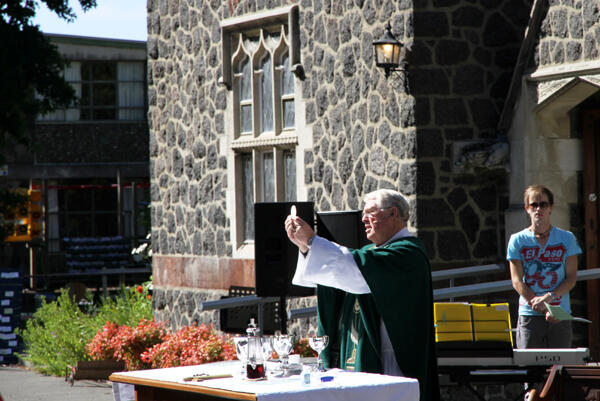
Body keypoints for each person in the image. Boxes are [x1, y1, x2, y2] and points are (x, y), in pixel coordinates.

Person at [284, 189, 439, 401]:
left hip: (394, 360)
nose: (363, 219)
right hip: (375, 357)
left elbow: (356, 275)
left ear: (393, 213)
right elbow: (342, 276)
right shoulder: (375, 253)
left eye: (370, 213)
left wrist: (312, 241)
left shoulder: (407, 253)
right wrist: (306, 247)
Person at [507, 185, 582, 349]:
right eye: (534, 205)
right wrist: (538, 304)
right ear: (527, 208)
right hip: (530, 315)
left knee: (560, 369)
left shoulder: (567, 238)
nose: (538, 209)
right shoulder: (517, 240)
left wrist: (549, 299)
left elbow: (571, 278)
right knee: (529, 369)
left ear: (551, 208)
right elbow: (517, 281)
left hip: (559, 313)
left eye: (543, 204)